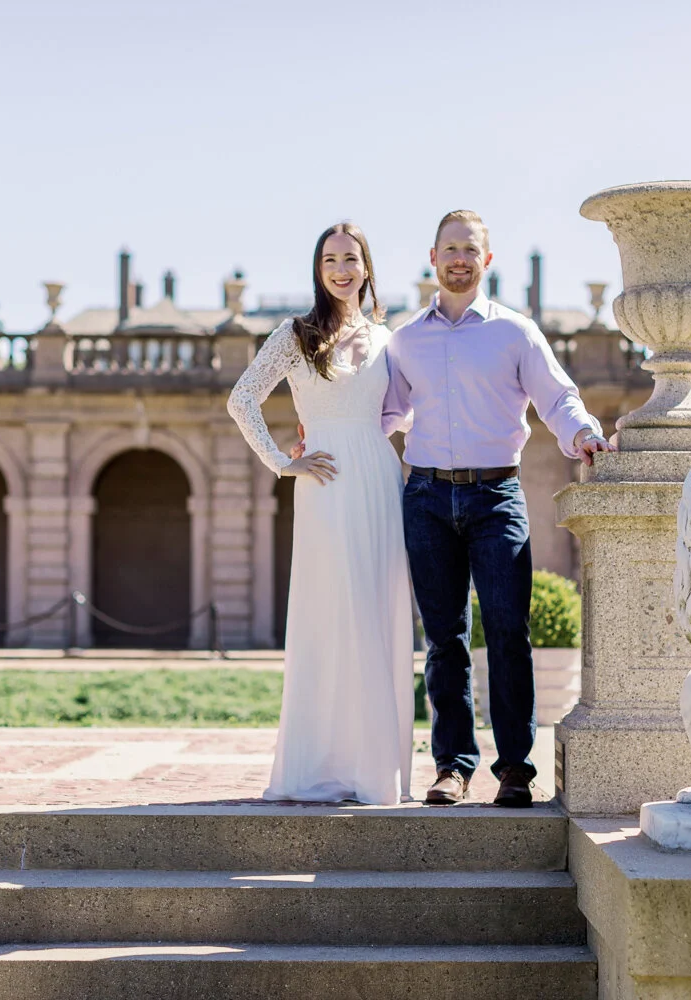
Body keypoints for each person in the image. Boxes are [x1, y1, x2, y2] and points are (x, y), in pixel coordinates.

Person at [382, 209, 612, 807]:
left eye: (470, 249)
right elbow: (385, 413)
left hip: (496, 496)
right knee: (444, 639)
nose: (459, 259)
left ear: (487, 260)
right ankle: (453, 768)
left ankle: (514, 770)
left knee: (509, 632)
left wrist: (582, 433)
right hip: (427, 496)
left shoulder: (515, 333)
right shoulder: (406, 341)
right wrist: (327, 436)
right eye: (449, 249)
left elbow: (557, 397)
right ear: (432, 259)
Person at [226, 222, 415, 805]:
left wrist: (387, 437)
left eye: (350, 259)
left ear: (366, 268)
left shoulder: (389, 339)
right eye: (330, 259)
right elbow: (241, 399)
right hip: (325, 480)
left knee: (378, 609)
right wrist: (283, 463)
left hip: (380, 477)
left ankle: (372, 769)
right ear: (318, 269)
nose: (340, 269)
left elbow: (405, 411)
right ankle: (318, 766)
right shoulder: (294, 334)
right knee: (334, 610)